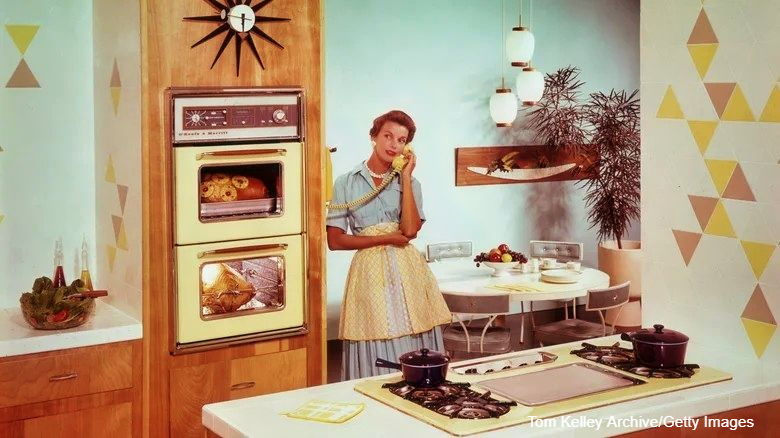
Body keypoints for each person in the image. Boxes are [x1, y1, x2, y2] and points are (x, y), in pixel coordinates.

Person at [326, 110, 452, 380]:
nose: (393, 144)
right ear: (373, 136)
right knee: (374, 329)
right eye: (388, 136)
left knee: (413, 327)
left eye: (401, 139)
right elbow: (335, 241)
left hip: (407, 271)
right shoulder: (346, 183)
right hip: (369, 271)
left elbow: (409, 230)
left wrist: (405, 176)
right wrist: (385, 238)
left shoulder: (411, 183)